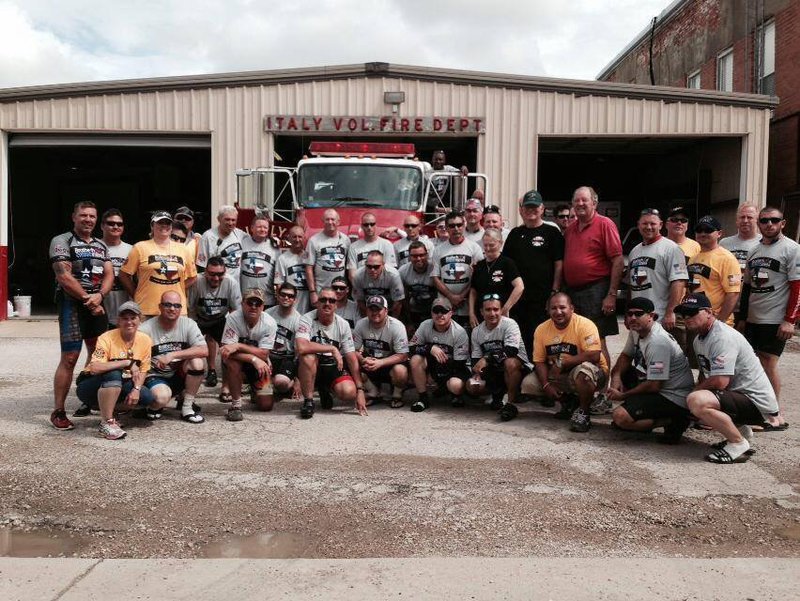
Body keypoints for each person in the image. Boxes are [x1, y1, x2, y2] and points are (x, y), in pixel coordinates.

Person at [677, 293, 782, 463]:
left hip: (756, 403)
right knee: (695, 398)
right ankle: (743, 433)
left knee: (697, 400)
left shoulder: (722, 337)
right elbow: (706, 374)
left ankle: (737, 444)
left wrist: (693, 395)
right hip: (739, 396)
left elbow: (720, 381)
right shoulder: (699, 339)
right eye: (684, 314)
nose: (687, 318)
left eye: (693, 313)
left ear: (709, 312)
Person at [49, 201, 114, 430]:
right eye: (83, 215)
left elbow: (109, 273)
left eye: (92, 216)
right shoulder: (61, 241)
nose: (88, 220)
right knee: (69, 358)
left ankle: (87, 398)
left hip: (97, 303)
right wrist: (88, 300)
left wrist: (100, 296)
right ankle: (58, 410)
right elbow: (63, 276)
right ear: (73, 217)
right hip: (72, 304)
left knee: (98, 355)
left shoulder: (100, 245)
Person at [737, 206, 797, 429]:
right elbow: (747, 287)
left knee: (769, 363)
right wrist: (743, 317)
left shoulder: (792, 249)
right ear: (759, 224)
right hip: (754, 318)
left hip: (775, 318)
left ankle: (775, 415)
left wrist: (790, 320)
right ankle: (759, 410)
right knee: (754, 366)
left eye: (774, 220)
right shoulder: (754, 250)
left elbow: (797, 287)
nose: (769, 224)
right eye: (764, 221)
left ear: (783, 223)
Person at [607, 298, 694, 444]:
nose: (633, 318)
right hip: (657, 385)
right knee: (624, 371)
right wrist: (616, 376)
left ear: (651, 316)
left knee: (620, 417)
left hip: (674, 396)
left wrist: (622, 395)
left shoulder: (657, 342)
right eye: (629, 314)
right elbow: (626, 356)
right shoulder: (636, 330)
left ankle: (674, 420)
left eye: (638, 314)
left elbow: (654, 385)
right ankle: (642, 416)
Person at [521, 292, 608, 433]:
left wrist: (563, 363)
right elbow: (539, 361)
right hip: (561, 374)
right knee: (529, 383)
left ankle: (584, 413)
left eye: (562, 307)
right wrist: (546, 385)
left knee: (583, 372)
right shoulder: (541, 329)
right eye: (553, 308)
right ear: (548, 310)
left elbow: (594, 356)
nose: (558, 312)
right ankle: (568, 403)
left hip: (593, 373)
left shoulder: (585, 325)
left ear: (572, 308)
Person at [563, 186, 623, 370]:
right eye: (577, 200)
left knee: (597, 340)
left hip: (597, 290)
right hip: (573, 291)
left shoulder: (605, 224)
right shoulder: (571, 228)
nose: (580, 204)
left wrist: (611, 294)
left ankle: (603, 390)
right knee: (576, 340)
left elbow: (618, 260)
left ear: (594, 203)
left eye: (584, 200)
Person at [74, 301, 154, 440]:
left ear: (140, 320)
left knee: (146, 397)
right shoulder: (106, 337)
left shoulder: (145, 340)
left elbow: (143, 369)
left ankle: (110, 411)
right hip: (90, 385)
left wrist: (136, 389)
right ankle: (106, 423)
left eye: (133, 318)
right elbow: (94, 368)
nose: (129, 322)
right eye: (124, 318)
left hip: (121, 382)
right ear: (118, 321)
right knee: (113, 373)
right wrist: (127, 362)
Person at [501, 190, 564, 361]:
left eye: (535, 207)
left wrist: (555, 291)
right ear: (520, 209)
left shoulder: (552, 233)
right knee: (521, 339)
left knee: (543, 337)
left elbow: (559, 264)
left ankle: (543, 375)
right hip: (519, 299)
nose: (531, 210)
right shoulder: (514, 234)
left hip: (543, 298)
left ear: (542, 208)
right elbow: (506, 265)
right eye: (527, 207)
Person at [295, 287, 368, 419]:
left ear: (336, 305)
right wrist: (332, 348)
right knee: (308, 357)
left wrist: (360, 390)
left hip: (331, 366)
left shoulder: (343, 324)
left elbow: (351, 357)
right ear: (317, 302)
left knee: (348, 392)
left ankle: (325, 388)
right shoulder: (306, 319)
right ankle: (309, 402)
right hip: (312, 365)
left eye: (331, 300)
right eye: (323, 300)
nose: (327, 303)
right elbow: (301, 347)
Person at [140, 291, 208, 424]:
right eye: (168, 305)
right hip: (155, 375)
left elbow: (204, 350)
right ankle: (152, 407)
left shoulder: (189, 324)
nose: (172, 309)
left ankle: (187, 407)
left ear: (181, 309)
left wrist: (171, 355)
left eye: (177, 305)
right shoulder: (145, 329)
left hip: (178, 373)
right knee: (161, 398)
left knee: (197, 362)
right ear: (160, 307)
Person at [119, 211, 197, 317]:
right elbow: (124, 274)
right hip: (146, 309)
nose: (164, 225)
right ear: (152, 225)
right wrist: (136, 293)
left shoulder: (183, 249)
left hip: (176, 309)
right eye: (160, 222)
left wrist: (176, 287)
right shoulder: (140, 247)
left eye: (167, 223)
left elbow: (193, 277)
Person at [466, 294, 532, 420]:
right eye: (488, 309)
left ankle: (510, 403)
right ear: (481, 312)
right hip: (494, 370)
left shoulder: (510, 324)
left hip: (518, 368)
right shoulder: (476, 331)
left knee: (510, 363)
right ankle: (498, 395)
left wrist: (486, 359)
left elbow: (511, 350)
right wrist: (477, 373)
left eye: (496, 309)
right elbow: (475, 359)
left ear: (501, 310)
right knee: (471, 385)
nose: (492, 313)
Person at [219, 288, 277, 420]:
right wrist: (253, 359)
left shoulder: (270, 323)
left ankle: (254, 389)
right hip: (242, 361)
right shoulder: (233, 318)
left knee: (265, 405)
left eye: (258, 304)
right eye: (250, 303)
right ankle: (236, 405)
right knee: (233, 363)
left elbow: (263, 354)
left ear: (263, 306)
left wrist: (238, 345)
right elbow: (225, 350)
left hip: (260, 363)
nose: (253, 307)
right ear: (242, 303)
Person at [626, 208, 687, 331]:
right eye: (645, 223)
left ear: (660, 225)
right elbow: (630, 286)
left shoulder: (672, 249)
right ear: (638, 225)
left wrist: (670, 312)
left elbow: (679, 282)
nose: (648, 227)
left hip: (659, 318)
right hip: (638, 318)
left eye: (653, 224)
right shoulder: (634, 251)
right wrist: (628, 313)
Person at [188, 256, 242, 391]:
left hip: (220, 319)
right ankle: (187, 389)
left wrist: (232, 336)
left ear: (225, 272)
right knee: (188, 349)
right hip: (199, 318)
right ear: (205, 272)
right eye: (212, 274)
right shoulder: (197, 281)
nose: (216, 278)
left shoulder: (231, 282)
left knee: (228, 349)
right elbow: (190, 308)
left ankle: (226, 386)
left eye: (220, 274)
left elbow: (236, 311)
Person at [408, 296, 470, 412]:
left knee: (455, 385)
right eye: (436, 311)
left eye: (444, 311)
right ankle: (423, 398)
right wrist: (430, 348)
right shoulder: (425, 325)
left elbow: (460, 363)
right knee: (416, 359)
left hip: (453, 369)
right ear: (431, 313)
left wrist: (438, 378)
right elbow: (411, 347)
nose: (440, 314)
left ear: (451, 313)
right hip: (433, 368)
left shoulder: (459, 332)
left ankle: (451, 393)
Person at [353, 295, 410, 408]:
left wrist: (381, 362)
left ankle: (397, 395)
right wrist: (363, 359)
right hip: (369, 361)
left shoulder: (397, 326)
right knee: (351, 361)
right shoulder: (360, 324)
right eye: (371, 309)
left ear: (386, 311)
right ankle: (373, 392)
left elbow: (403, 355)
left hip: (390, 364)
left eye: (378, 309)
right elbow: (353, 350)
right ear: (367, 310)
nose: (375, 313)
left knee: (400, 371)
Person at [431, 210, 484, 328]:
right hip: (445, 306)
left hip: (468, 306)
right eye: (452, 225)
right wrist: (451, 296)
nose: (456, 228)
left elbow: (479, 277)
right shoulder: (438, 250)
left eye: (459, 225)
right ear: (446, 228)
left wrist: (461, 296)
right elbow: (435, 278)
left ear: (464, 225)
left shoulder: (474, 248)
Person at [687, 215, 741, 325]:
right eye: (699, 230)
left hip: (717, 322)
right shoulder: (693, 258)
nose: (703, 233)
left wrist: (719, 322)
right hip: (696, 319)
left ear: (719, 233)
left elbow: (733, 293)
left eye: (708, 230)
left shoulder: (728, 258)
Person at [468, 229, 524, 328]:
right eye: (485, 245)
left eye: (492, 245)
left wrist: (506, 308)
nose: (488, 248)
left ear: (500, 243)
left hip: (502, 317)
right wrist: (471, 313)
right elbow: (473, 291)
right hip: (483, 317)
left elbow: (519, 286)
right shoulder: (479, 265)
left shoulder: (507, 263)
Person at [304, 208, 351, 307]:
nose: (330, 222)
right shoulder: (314, 240)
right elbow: (308, 268)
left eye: (333, 219)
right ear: (323, 221)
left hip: (340, 292)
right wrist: (313, 292)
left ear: (338, 222)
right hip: (321, 291)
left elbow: (348, 267)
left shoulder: (345, 240)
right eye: (327, 219)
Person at [266, 283, 303, 399]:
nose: (286, 298)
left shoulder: (299, 320)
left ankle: (287, 383)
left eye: (290, 296)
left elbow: (299, 352)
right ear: (277, 295)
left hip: (287, 358)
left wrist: (298, 379)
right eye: (283, 294)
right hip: (268, 355)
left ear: (295, 300)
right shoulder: (267, 314)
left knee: (281, 383)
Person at [99, 209, 132, 330]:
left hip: (125, 310)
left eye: (119, 224)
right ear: (102, 226)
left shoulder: (132, 250)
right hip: (100, 308)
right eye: (111, 223)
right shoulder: (94, 247)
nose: (115, 226)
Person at [240, 214, 280, 307]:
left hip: (267, 301)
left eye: (265, 227)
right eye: (259, 227)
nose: (262, 230)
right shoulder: (242, 242)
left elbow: (278, 274)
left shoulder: (274, 246)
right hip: (245, 299)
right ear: (252, 228)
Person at [197, 205, 246, 278]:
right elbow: (201, 266)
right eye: (227, 219)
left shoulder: (241, 235)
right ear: (219, 219)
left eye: (233, 220)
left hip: (235, 285)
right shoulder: (207, 237)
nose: (230, 223)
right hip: (215, 283)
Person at [350, 250, 405, 317]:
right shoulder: (358, 275)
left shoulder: (393, 275)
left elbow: (398, 303)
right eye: (369, 266)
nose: (372, 270)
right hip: (368, 310)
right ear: (365, 264)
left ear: (383, 264)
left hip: (389, 310)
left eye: (376, 267)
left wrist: (391, 321)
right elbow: (359, 301)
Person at [399, 240, 436, 335]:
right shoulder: (403, 271)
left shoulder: (434, 268)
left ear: (427, 255)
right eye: (414, 256)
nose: (419, 259)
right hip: (413, 310)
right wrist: (408, 322)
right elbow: (403, 299)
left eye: (422, 255)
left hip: (433, 310)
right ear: (409, 257)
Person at [347, 212, 397, 279]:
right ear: (362, 226)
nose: (369, 227)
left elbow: (390, 272)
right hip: (361, 286)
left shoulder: (387, 245)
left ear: (376, 225)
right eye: (366, 225)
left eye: (372, 224)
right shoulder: (353, 247)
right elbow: (352, 275)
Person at [274, 225, 311, 314]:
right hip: (290, 306)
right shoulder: (282, 258)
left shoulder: (310, 256)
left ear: (304, 238)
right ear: (289, 238)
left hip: (308, 304)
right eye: (294, 237)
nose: (297, 239)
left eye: (300, 237)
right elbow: (279, 284)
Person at [721, 203, 761, 274]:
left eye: (749, 217)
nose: (745, 221)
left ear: (757, 221)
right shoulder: (724, 243)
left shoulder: (764, 242)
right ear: (737, 221)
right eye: (742, 217)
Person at [425, 150, 468, 215]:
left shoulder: (448, 169)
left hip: (441, 202)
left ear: (444, 161)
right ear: (432, 160)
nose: (438, 161)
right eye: (436, 159)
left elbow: (461, 171)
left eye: (440, 159)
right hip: (428, 203)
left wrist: (464, 167)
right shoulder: (427, 171)